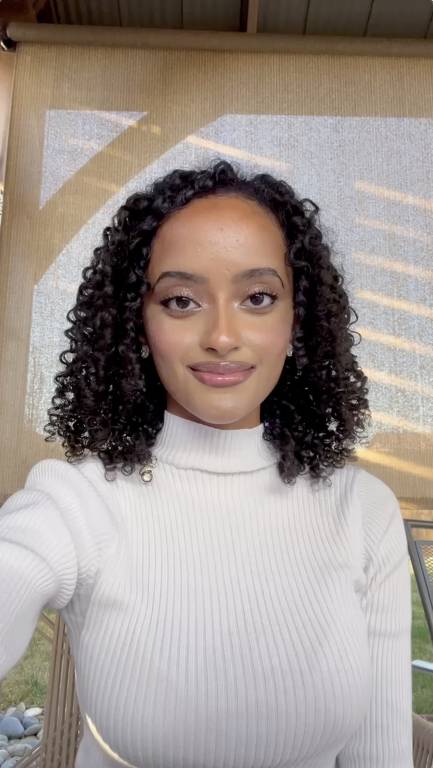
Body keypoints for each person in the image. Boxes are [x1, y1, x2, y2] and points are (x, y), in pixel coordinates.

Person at [0, 159, 413, 767]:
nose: (222, 335)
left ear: (295, 322)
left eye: (257, 297)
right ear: (139, 325)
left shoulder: (362, 510)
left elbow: (382, 754)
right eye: (182, 300)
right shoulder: (76, 500)